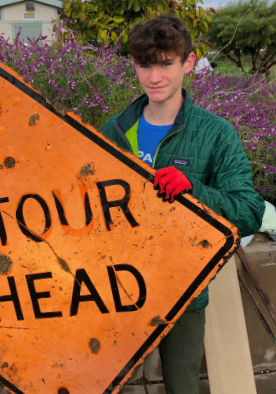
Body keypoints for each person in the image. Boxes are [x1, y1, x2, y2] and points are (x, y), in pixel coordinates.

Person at [98, 15, 264, 394]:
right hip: (119, 289)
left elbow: (250, 210)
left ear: (188, 62)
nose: (154, 77)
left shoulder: (216, 134)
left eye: (165, 63)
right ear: (134, 65)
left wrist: (194, 191)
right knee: (108, 384)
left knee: (183, 385)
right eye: (144, 65)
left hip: (184, 291)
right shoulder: (115, 131)